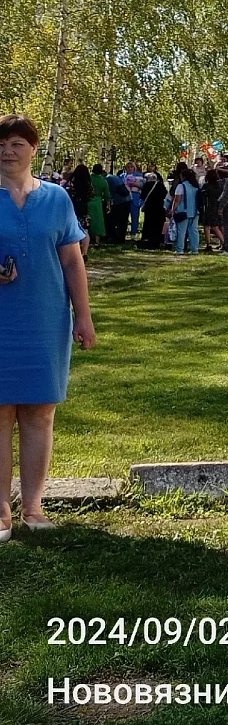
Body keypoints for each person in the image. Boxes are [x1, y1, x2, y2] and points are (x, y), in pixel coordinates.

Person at [0, 114, 96, 538]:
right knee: (0, 413)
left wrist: (84, 317)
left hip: (45, 319)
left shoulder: (56, 198)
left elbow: (72, 261)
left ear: (33, 149)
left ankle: (34, 508)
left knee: (40, 412)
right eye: (1, 144)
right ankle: (1, 512)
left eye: (16, 143)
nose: (7, 151)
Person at [169, 164, 201, 256]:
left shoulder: (181, 186)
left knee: (181, 231)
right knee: (194, 231)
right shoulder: (196, 186)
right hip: (195, 212)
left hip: (183, 211)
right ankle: (195, 249)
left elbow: (177, 200)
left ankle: (180, 249)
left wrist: (172, 210)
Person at [138, 167, 167, 249]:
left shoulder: (146, 185)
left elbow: (142, 196)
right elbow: (165, 195)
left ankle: (148, 240)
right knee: (159, 224)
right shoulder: (160, 185)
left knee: (148, 223)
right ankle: (158, 240)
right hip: (159, 207)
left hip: (149, 208)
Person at [106, 164, 131, 244]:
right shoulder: (115, 177)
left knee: (112, 220)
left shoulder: (107, 180)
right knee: (123, 221)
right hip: (127, 199)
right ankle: (121, 238)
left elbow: (108, 192)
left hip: (119, 201)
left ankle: (114, 237)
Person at [86, 164, 108, 247]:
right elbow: (107, 194)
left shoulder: (88, 179)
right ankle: (97, 241)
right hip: (98, 201)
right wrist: (108, 204)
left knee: (87, 219)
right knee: (98, 220)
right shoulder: (103, 181)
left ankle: (86, 239)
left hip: (88, 200)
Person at [126, 162, 143, 241]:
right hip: (125, 197)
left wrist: (134, 184)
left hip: (135, 197)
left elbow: (143, 185)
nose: (130, 168)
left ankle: (133, 233)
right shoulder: (122, 176)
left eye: (131, 167)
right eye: (128, 167)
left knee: (135, 216)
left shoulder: (139, 175)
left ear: (134, 168)